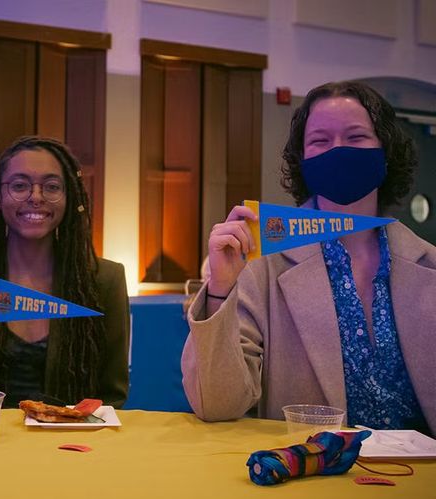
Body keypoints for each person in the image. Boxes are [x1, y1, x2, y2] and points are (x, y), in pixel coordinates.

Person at [182, 81, 435, 435]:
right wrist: (221, 288)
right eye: (320, 141)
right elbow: (217, 404)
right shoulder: (260, 265)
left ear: (386, 150)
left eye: (356, 137)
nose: (338, 151)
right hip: (313, 477)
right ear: (302, 160)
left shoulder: (429, 266)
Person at [0, 136, 129, 410]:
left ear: (69, 197)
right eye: (20, 186)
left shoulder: (105, 280)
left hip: (71, 447)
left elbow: (113, 398)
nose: (35, 197)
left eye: (51, 187)